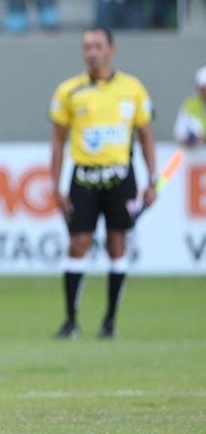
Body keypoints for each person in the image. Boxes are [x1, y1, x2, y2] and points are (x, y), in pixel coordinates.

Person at [49, 28, 157, 340]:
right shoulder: (69, 91)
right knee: (78, 243)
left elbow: (146, 135)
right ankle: (70, 321)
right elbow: (58, 141)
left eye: (97, 46)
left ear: (111, 49)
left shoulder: (132, 89)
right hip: (84, 176)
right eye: (86, 47)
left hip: (120, 176)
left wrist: (151, 179)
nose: (91, 52)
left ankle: (110, 321)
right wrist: (55, 186)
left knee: (117, 243)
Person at [173, 66, 206, 149]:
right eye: (201, 88)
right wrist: (190, 140)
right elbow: (178, 134)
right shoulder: (189, 105)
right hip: (197, 156)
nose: (203, 91)